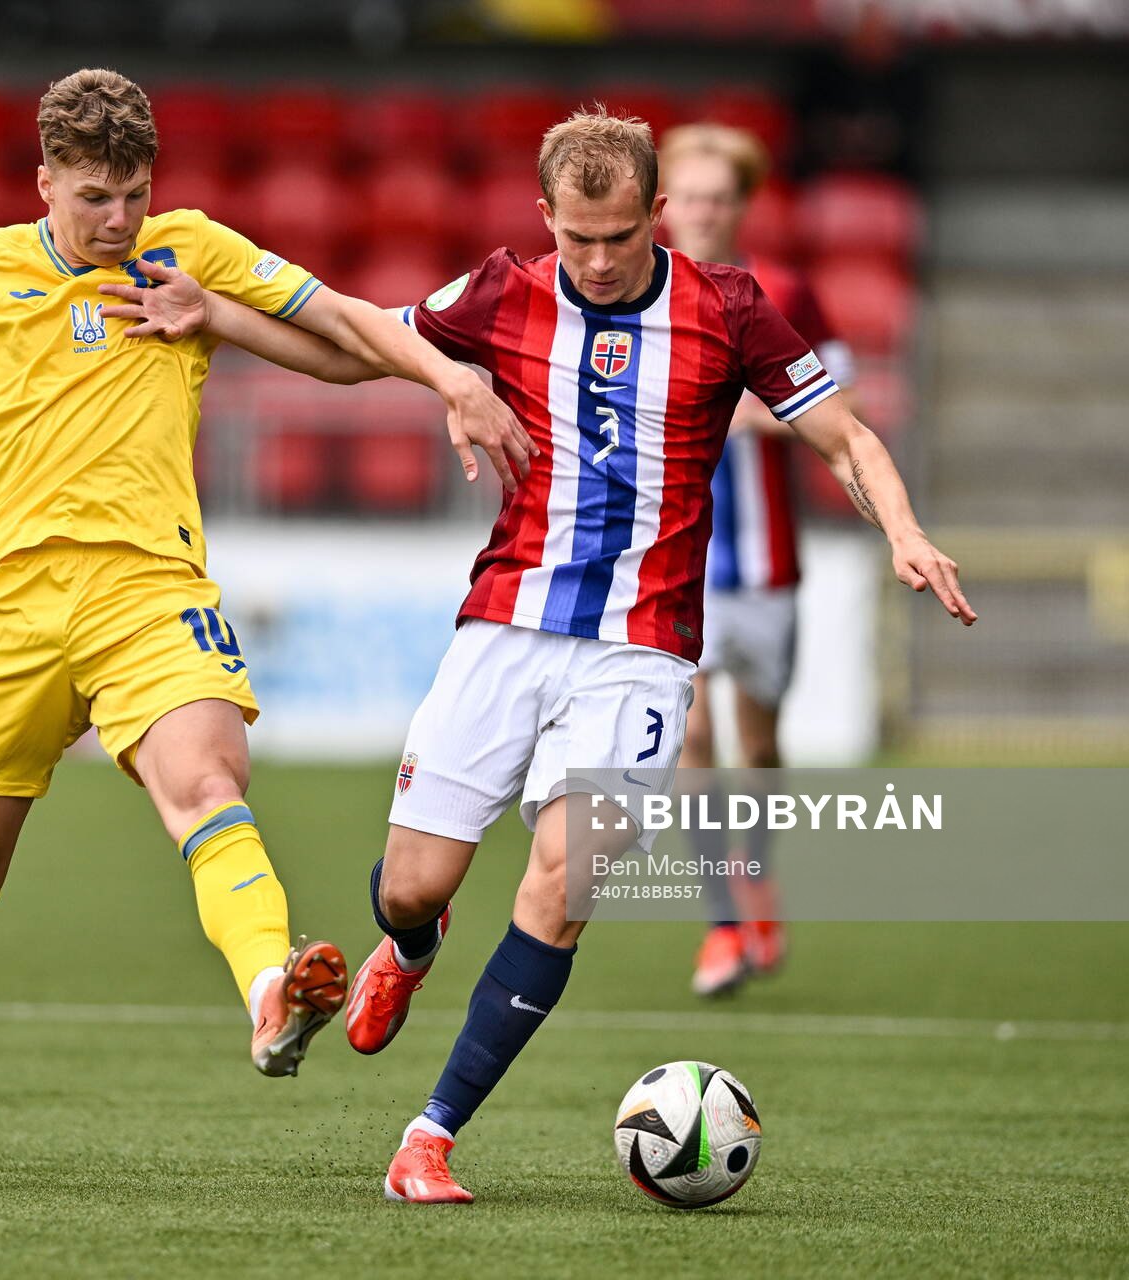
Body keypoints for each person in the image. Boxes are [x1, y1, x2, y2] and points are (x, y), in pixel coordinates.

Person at [0, 67, 532, 1186]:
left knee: (208, 782)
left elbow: (342, 321)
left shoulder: (186, 250)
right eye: (94, 198)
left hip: (149, 589)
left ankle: (272, 988)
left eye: (133, 193)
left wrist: (449, 382)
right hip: (10, 611)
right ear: (46, 182)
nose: (119, 220)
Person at [330, 108, 971, 1204]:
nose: (596, 260)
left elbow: (847, 434)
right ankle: (412, 939)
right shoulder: (501, 288)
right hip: (506, 624)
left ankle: (429, 1133)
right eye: (575, 238)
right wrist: (221, 315)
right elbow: (350, 336)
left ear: (656, 215)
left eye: (619, 237)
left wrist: (902, 529)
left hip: (644, 649)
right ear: (545, 220)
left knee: (563, 877)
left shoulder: (728, 308)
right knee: (411, 883)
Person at [656, 122, 857, 997]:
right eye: (689, 196)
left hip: (767, 564)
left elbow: (835, 409)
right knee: (692, 736)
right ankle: (724, 923)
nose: (702, 211)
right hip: (677, 564)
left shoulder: (787, 294)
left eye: (717, 197)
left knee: (760, 742)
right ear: (666, 205)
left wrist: (751, 415)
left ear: (740, 205)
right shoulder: (641, 291)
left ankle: (757, 884)